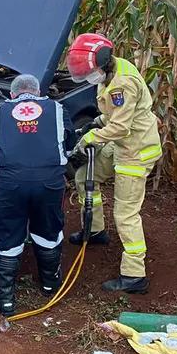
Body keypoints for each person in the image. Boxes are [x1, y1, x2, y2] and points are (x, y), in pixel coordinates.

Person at [66, 33, 162, 294]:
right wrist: (96, 122)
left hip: (136, 150)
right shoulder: (110, 73)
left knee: (125, 213)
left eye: (90, 72)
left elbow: (120, 126)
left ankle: (134, 274)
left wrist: (90, 137)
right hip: (121, 144)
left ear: (102, 62)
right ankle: (95, 231)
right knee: (84, 176)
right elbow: (114, 115)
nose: (89, 77)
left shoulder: (123, 84)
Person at [0, 74, 74, 316]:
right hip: (49, 182)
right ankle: (50, 285)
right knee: (48, 228)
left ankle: (5, 299)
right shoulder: (57, 109)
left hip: (10, 183)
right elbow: (69, 142)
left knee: (7, 233)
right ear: (38, 92)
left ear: (12, 94)